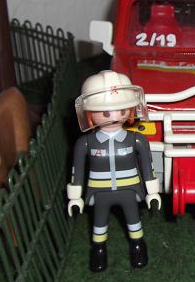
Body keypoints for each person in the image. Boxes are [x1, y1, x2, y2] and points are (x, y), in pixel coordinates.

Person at [66, 70, 161, 271]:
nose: (115, 116)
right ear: (89, 113)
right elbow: (77, 172)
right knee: (99, 224)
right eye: (106, 112)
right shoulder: (85, 143)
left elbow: (148, 167)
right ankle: (99, 250)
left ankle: (138, 246)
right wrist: (75, 196)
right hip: (100, 192)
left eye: (122, 109)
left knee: (134, 222)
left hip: (130, 190)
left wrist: (153, 192)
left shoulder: (136, 139)